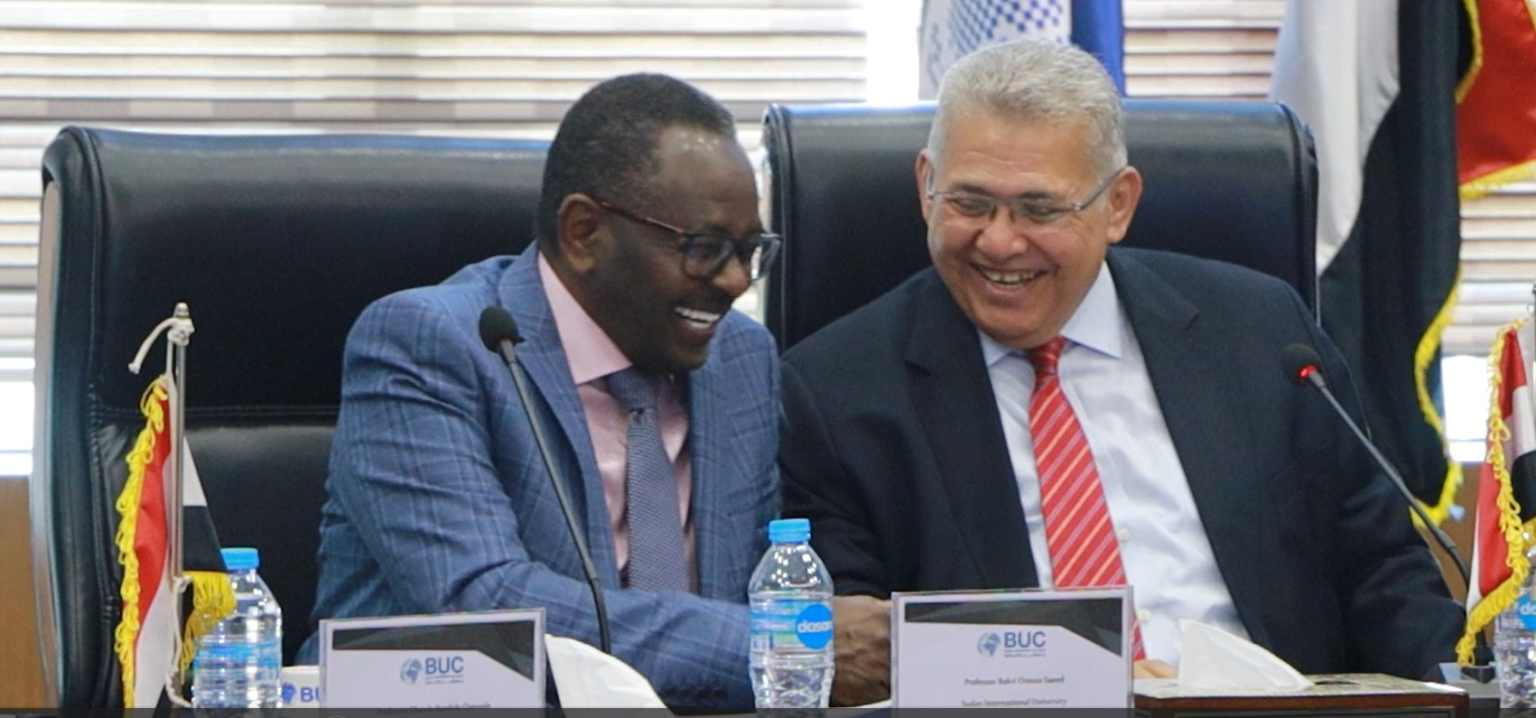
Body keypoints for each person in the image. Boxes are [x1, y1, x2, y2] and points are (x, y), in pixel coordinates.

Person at [778, 40, 1462, 681]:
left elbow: (1384, 578)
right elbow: (853, 654)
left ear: (1118, 205)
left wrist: (1467, 688)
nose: (1000, 242)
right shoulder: (835, 392)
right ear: (926, 184)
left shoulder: (1261, 334)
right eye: (970, 202)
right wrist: (1089, 677)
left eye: (1039, 209)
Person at [302, 73, 888, 710]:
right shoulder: (436, 345)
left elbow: (753, 587)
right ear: (584, 232)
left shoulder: (739, 358)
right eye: (704, 249)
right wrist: (780, 644)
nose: (734, 282)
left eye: (750, 251)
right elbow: (485, 611)